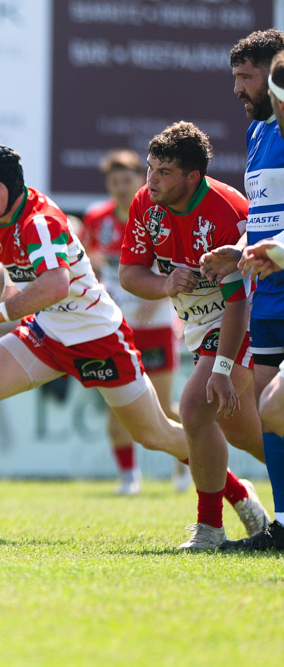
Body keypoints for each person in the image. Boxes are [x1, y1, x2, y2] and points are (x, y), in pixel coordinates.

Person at [0, 144, 257, 548]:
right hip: (46, 332)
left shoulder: (39, 222)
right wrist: (6, 305)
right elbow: (20, 276)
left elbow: (56, 285)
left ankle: (239, 494)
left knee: (156, 434)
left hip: (97, 338)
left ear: (12, 185)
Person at [120, 122, 269, 549]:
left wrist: (222, 368)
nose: (151, 179)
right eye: (150, 168)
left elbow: (239, 301)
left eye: (164, 171)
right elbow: (130, 273)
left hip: (244, 314)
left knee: (194, 406)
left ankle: (209, 529)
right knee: (241, 430)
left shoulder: (225, 211)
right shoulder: (146, 204)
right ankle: (251, 510)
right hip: (200, 322)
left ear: (193, 177)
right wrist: (165, 284)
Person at [201, 30, 284, 551]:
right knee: (266, 415)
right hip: (268, 293)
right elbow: (262, 218)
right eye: (234, 77)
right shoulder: (257, 135)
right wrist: (239, 248)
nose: (237, 88)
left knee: (274, 407)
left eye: (246, 77)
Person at [83, 149, 184, 495]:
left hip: (156, 324)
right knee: (119, 406)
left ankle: (184, 469)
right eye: (115, 181)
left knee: (164, 404)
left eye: (127, 180)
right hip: (116, 327)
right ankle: (129, 477)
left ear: (138, 181)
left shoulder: (155, 215)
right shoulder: (97, 219)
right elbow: (90, 264)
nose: (121, 187)